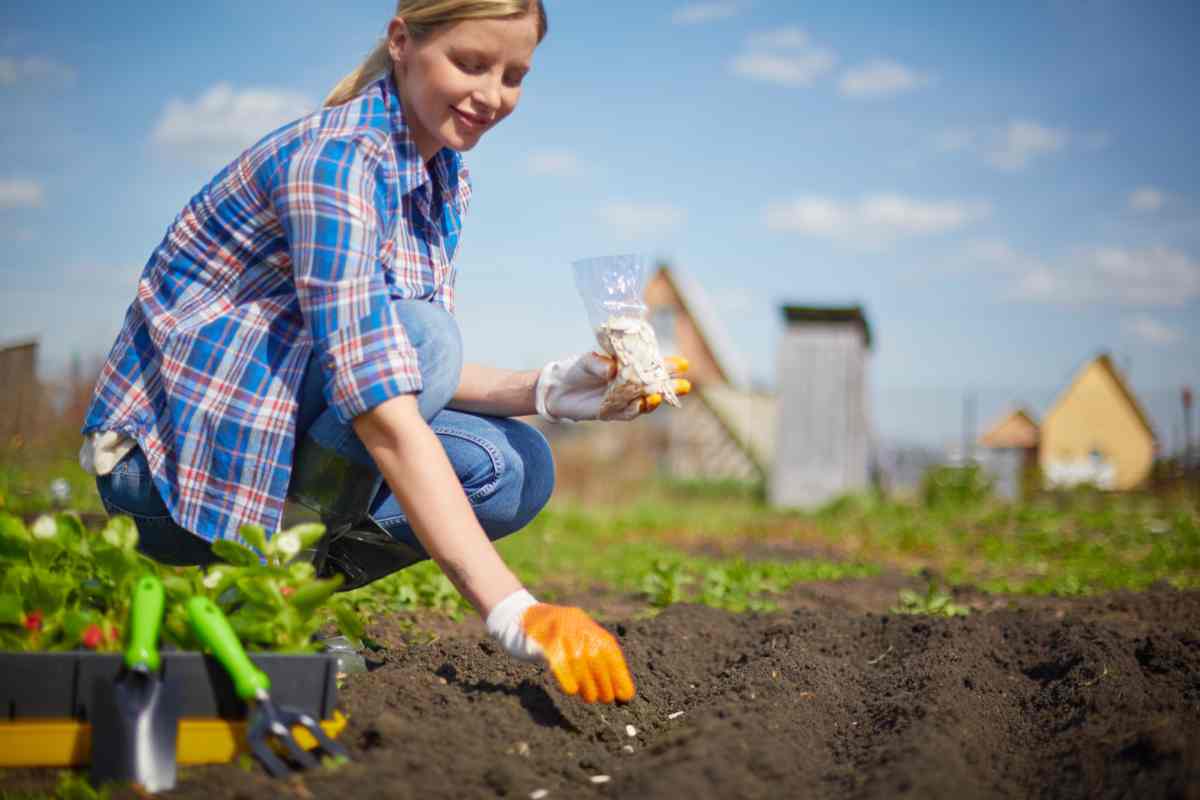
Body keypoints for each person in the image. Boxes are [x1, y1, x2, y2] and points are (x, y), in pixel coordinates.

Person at [79, 0, 690, 706]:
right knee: (427, 336)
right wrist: (512, 609)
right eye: (470, 63)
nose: (493, 95)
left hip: (265, 450)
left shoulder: (440, 179)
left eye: (514, 75)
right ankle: (265, 595)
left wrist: (551, 389)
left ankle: (280, 591)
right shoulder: (335, 163)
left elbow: (393, 365)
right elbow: (384, 399)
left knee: (516, 468)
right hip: (167, 474)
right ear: (402, 41)